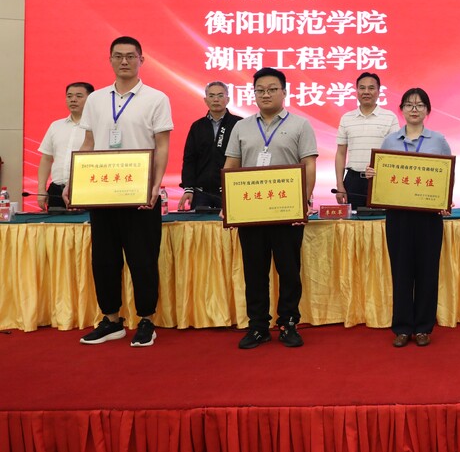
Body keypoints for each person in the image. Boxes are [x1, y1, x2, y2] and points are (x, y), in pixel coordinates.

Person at [65, 37, 172, 347]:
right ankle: (112, 320)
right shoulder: (96, 99)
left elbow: (162, 145)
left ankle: (147, 320)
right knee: (104, 260)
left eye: (130, 56)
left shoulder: (156, 98)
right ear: (110, 59)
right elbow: (88, 143)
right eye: (118, 56)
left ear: (141, 60)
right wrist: (73, 181)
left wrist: (155, 185)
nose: (124, 61)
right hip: (102, 193)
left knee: (143, 259)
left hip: (140, 195)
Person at [224, 67, 318, 349]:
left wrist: (304, 203)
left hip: (287, 213)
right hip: (251, 213)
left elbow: (309, 165)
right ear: (254, 94)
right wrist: (228, 203)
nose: (265, 94)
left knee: (289, 271)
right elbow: (231, 166)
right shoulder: (241, 127)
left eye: (272, 89)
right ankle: (258, 326)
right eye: (260, 90)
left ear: (284, 92)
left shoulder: (301, 125)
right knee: (254, 272)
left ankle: (288, 323)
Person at [371, 88, 451, 348]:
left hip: (428, 217)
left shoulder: (438, 140)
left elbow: (447, 175)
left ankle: (424, 327)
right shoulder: (390, 141)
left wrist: (445, 199)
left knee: (428, 271)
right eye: (408, 105)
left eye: (419, 105)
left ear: (427, 110)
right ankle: (403, 327)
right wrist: (374, 175)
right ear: (401, 110)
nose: (414, 109)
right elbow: (383, 177)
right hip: (399, 216)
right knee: (401, 271)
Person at [335, 72, 398, 209]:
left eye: (371, 88)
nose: (366, 92)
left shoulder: (390, 117)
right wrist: (340, 184)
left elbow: (395, 153)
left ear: (378, 91)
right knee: (353, 220)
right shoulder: (346, 118)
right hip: (353, 180)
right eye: (362, 88)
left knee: (382, 219)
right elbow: (340, 153)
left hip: (380, 179)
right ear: (357, 91)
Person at [178, 81, 240, 211]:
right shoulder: (197, 126)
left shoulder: (239, 124)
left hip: (230, 189)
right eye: (211, 96)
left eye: (220, 95)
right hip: (201, 192)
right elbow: (189, 159)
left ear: (228, 99)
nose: (216, 99)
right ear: (205, 100)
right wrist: (188, 188)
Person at [37, 81, 94, 211]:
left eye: (79, 96)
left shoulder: (96, 126)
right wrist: (41, 189)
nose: (73, 99)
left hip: (86, 189)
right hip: (56, 189)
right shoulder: (56, 126)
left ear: (91, 99)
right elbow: (46, 159)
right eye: (69, 96)